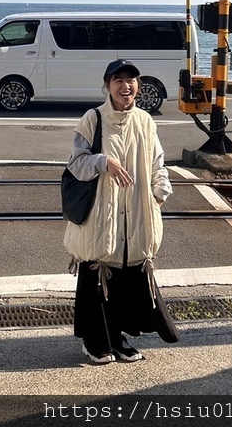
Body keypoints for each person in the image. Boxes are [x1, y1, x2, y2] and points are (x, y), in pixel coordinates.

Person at [63, 59, 179, 365]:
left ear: (138, 86)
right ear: (107, 86)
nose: (125, 86)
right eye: (118, 80)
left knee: (127, 277)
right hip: (101, 213)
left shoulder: (145, 120)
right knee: (99, 275)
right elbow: (75, 163)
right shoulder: (93, 118)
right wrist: (104, 162)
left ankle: (118, 338)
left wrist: (160, 192)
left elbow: (158, 162)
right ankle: (94, 341)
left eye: (131, 80)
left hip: (137, 211)